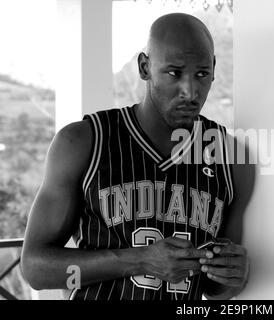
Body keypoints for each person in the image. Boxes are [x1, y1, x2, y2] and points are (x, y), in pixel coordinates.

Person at [21, 13, 255, 300]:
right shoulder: (84, 141)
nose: (191, 91)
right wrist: (139, 259)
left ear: (214, 69)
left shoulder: (230, 159)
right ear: (145, 67)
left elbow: (215, 290)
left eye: (202, 74)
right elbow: (35, 270)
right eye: (174, 72)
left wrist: (231, 276)